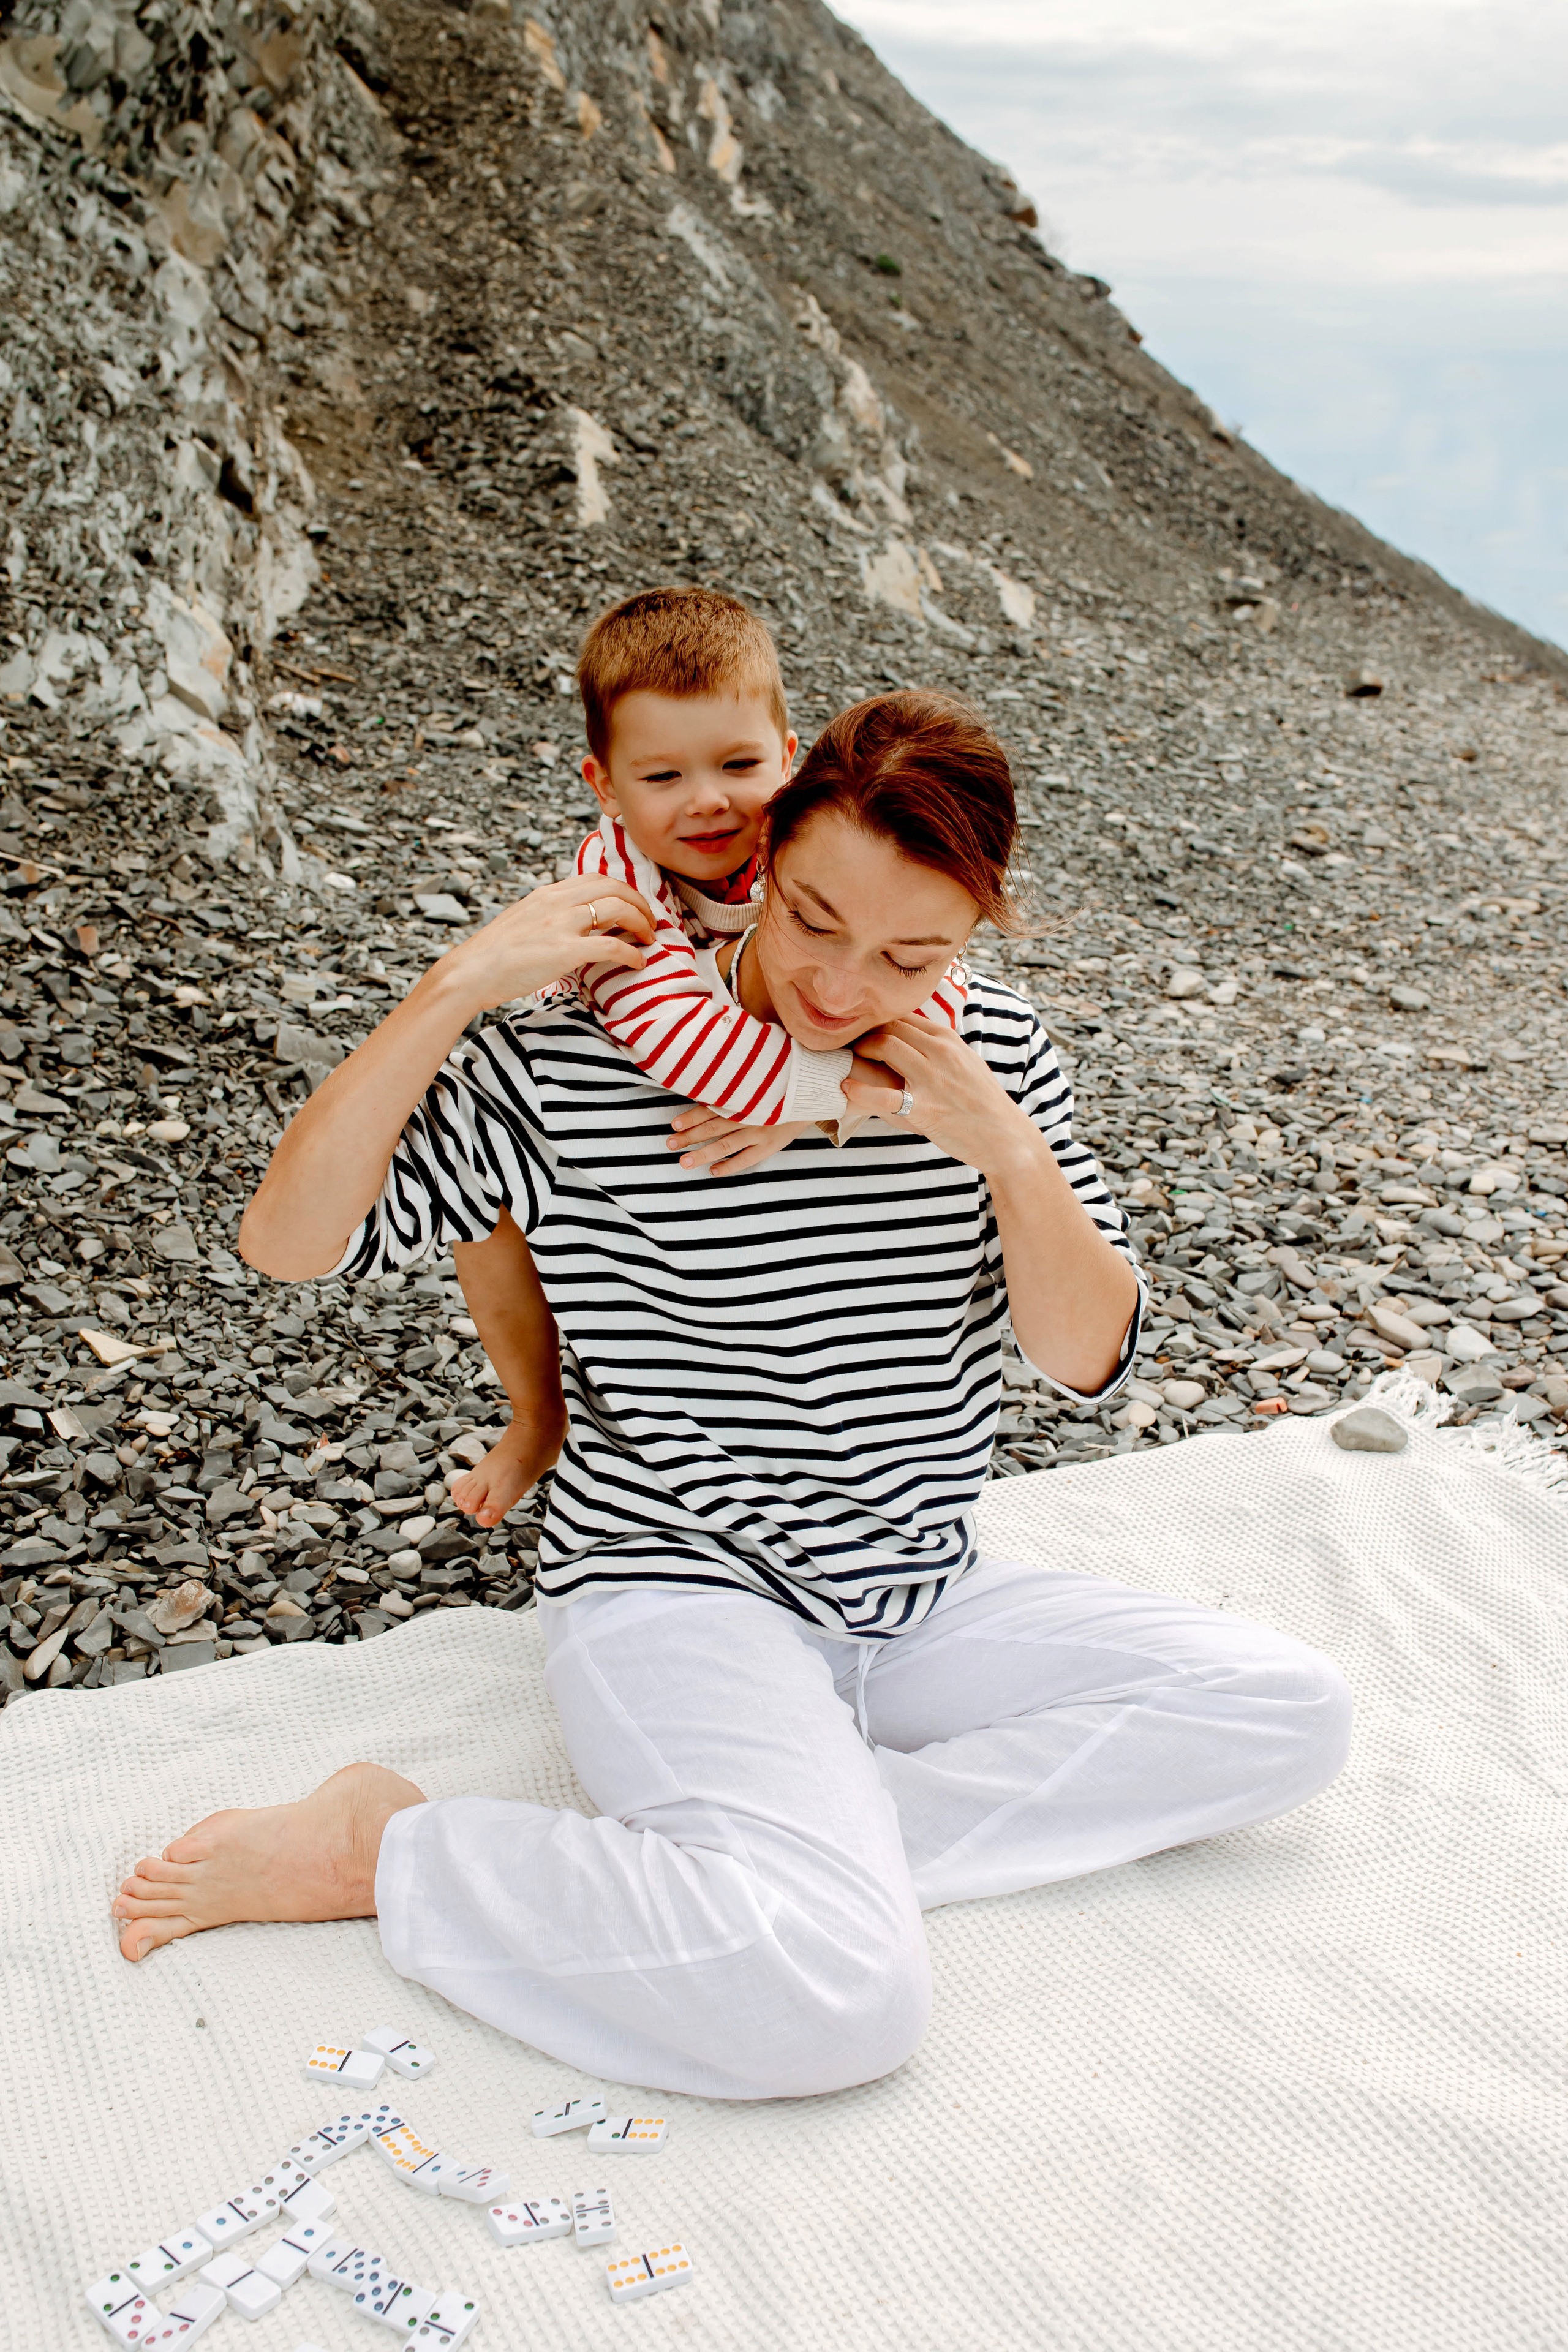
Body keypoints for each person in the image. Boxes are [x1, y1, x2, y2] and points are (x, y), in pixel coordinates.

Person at [110, 692, 1352, 2105]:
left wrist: (1004, 1151)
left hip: (913, 1585)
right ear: (761, 857)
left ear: (970, 937)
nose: (841, 986)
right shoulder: (576, 1056)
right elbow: (288, 1243)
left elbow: (1084, 1356)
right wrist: (452, 986)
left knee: (1284, 1709)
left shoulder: (985, 1056)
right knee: (838, 2009)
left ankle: (811, 1852)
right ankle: (390, 1848)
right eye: (813, 920)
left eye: (911, 955)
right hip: (678, 1584)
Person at [450, 584, 965, 1529]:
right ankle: (538, 1414)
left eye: (738, 764)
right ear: (605, 787)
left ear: (786, 755)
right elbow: (678, 1039)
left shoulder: (807, 840)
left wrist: (808, 1111)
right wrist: (822, 1087)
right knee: (485, 1213)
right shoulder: (616, 882)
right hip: (623, 1055)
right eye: (662, 777)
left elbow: (936, 986)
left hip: (755, 1064)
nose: (709, 801)